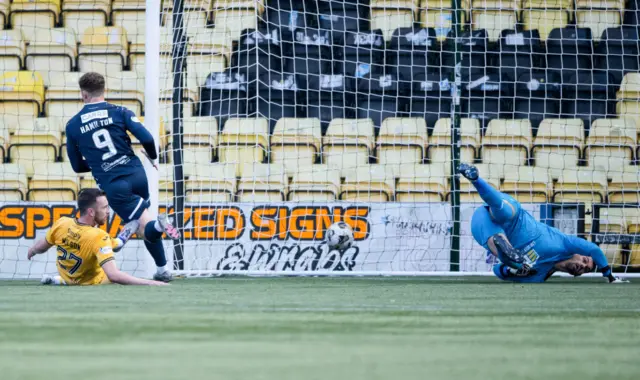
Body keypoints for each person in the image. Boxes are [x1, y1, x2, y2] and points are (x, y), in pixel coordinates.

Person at [65, 72, 179, 282]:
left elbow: (76, 166)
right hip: (137, 174)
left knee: (147, 227)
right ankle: (162, 270)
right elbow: (146, 137)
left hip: (115, 185)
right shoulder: (120, 112)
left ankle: (159, 227)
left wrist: (96, 163)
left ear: (83, 94)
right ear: (104, 90)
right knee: (143, 224)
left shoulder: (73, 125)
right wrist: (153, 157)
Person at [458, 163, 629, 283]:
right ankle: (475, 179)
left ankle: (513, 259)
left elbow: (497, 271)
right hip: (514, 217)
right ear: (578, 252)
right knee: (505, 211)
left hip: (484, 226)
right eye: (584, 261)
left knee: (500, 246)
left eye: (584, 269)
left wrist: (511, 272)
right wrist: (609, 276)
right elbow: (594, 249)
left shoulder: (538, 276)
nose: (581, 265)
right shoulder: (566, 243)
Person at [27, 189, 168, 286]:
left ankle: (131, 227)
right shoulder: (99, 236)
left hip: (68, 278)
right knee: (118, 265)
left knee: (114, 244)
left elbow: (42, 246)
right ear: (91, 212)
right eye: (105, 208)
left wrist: (32, 250)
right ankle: (137, 226)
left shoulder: (62, 222)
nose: (108, 211)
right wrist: (151, 282)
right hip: (91, 282)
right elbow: (114, 275)